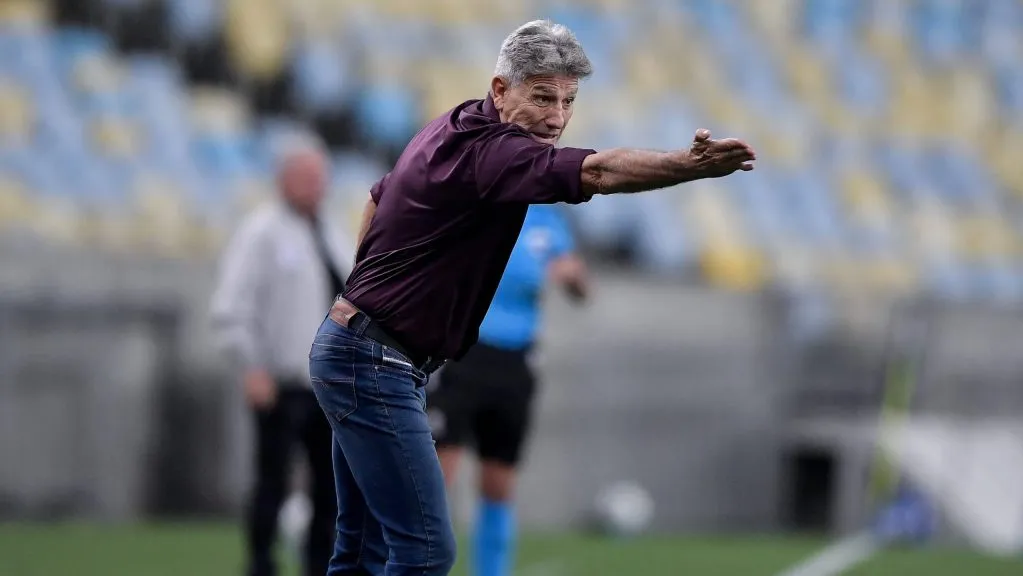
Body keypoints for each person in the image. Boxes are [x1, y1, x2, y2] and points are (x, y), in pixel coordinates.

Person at [308, 18, 756, 576]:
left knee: (362, 548)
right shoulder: (498, 152)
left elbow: (378, 196)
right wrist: (685, 167)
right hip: (375, 361)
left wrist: (366, 293)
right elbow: (596, 170)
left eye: (568, 100)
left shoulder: (454, 122)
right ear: (501, 89)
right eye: (543, 97)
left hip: (361, 348)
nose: (557, 117)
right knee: (424, 551)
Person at [210, 139, 353, 576]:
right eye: (307, 178)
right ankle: (260, 562)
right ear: (283, 180)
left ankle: (318, 564)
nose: (316, 187)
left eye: (320, 178)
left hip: (327, 386)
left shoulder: (330, 230)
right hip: (282, 380)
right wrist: (252, 365)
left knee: (329, 486)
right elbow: (232, 308)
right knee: (272, 479)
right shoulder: (262, 232)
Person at [427, 203, 588, 576]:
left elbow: (579, 288)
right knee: (437, 475)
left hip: (515, 364)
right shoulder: (481, 205)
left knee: (498, 482)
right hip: (464, 354)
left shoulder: (548, 221)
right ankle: (417, 566)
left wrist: (573, 276)